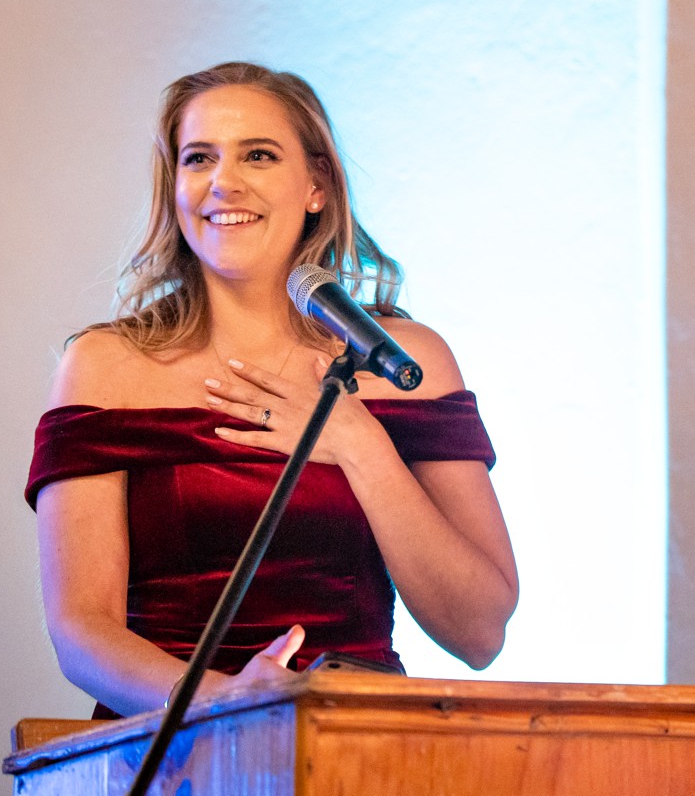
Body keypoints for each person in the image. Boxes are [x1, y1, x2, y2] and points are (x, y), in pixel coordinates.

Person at [27, 62, 518, 718]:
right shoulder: (106, 365)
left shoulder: (405, 360)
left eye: (258, 155)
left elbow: (479, 631)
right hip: (171, 749)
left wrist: (358, 444)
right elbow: (82, 633)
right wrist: (228, 704)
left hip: (363, 748)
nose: (224, 182)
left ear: (316, 184)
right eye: (199, 158)